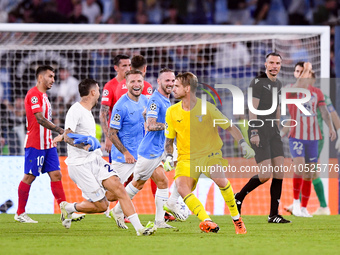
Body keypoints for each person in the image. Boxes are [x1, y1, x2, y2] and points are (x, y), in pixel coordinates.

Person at [53, 78, 156, 236]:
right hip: (79, 165)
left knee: (119, 188)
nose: (100, 93)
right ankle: (68, 208)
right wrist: (84, 145)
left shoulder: (87, 112)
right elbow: (67, 136)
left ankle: (139, 229)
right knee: (102, 206)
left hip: (95, 160)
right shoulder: (75, 110)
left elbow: (65, 136)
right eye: (99, 90)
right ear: (93, 92)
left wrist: (89, 145)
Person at [164, 72, 254, 234]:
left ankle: (236, 219)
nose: (173, 88)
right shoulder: (171, 111)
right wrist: (169, 156)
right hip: (186, 158)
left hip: (209, 155)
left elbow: (230, 126)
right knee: (182, 187)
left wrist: (243, 144)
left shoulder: (207, 108)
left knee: (220, 180)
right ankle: (207, 220)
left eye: (177, 86)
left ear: (188, 88)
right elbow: (169, 140)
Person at [110, 68, 184, 228]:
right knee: (116, 193)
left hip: (153, 149)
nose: (136, 84)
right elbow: (150, 125)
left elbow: (147, 115)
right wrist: (170, 126)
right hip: (139, 152)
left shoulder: (149, 99)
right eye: (132, 81)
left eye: (139, 81)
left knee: (163, 181)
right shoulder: (121, 105)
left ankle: (160, 220)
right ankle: (115, 209)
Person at [14, 65, 84, 223]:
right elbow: (39, 118)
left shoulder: (44, 96)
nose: (53, 79)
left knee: (56, 175)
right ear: (40, 78)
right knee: (29, 177)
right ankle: (19, 212)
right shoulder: (33, 94)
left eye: (53, 77)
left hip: (48, 144)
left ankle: (66, 212)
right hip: (35, 144)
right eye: (50, 76)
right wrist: (60, 130)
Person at [235, 53, 291, 223]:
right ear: (266, 64)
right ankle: (239, 196)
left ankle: (273, 214)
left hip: (273, 132)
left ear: (280, 65)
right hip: (259, 130)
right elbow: (253, 109)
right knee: (265, 174)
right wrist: (254, 132)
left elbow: (278, 108)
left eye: (278, 63)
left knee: (279, 172)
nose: (275, 66)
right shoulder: (258, 83)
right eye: (272, 63)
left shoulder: (279, 84)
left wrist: (278, 130)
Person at [282, 62, 336, 216]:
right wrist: (282, 133)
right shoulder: (290, 89)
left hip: (314, 138)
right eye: (300, 72)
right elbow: (290, 116)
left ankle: (304, 207)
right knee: (299, 168)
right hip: (297, 137)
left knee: (309, 172)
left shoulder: (317, 93)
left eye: (307, 73)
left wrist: (332, 128)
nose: (304, 75)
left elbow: (325, 112)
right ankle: (296, 203)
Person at [100, 54, 131, 154]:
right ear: (116, 68)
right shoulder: (110, 86)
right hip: (116, 134)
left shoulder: (134, 84)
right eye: (124, 66)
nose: (128, 68)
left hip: (133, 134)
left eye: (129, 65)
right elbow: (103, 114)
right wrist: (108, 136)